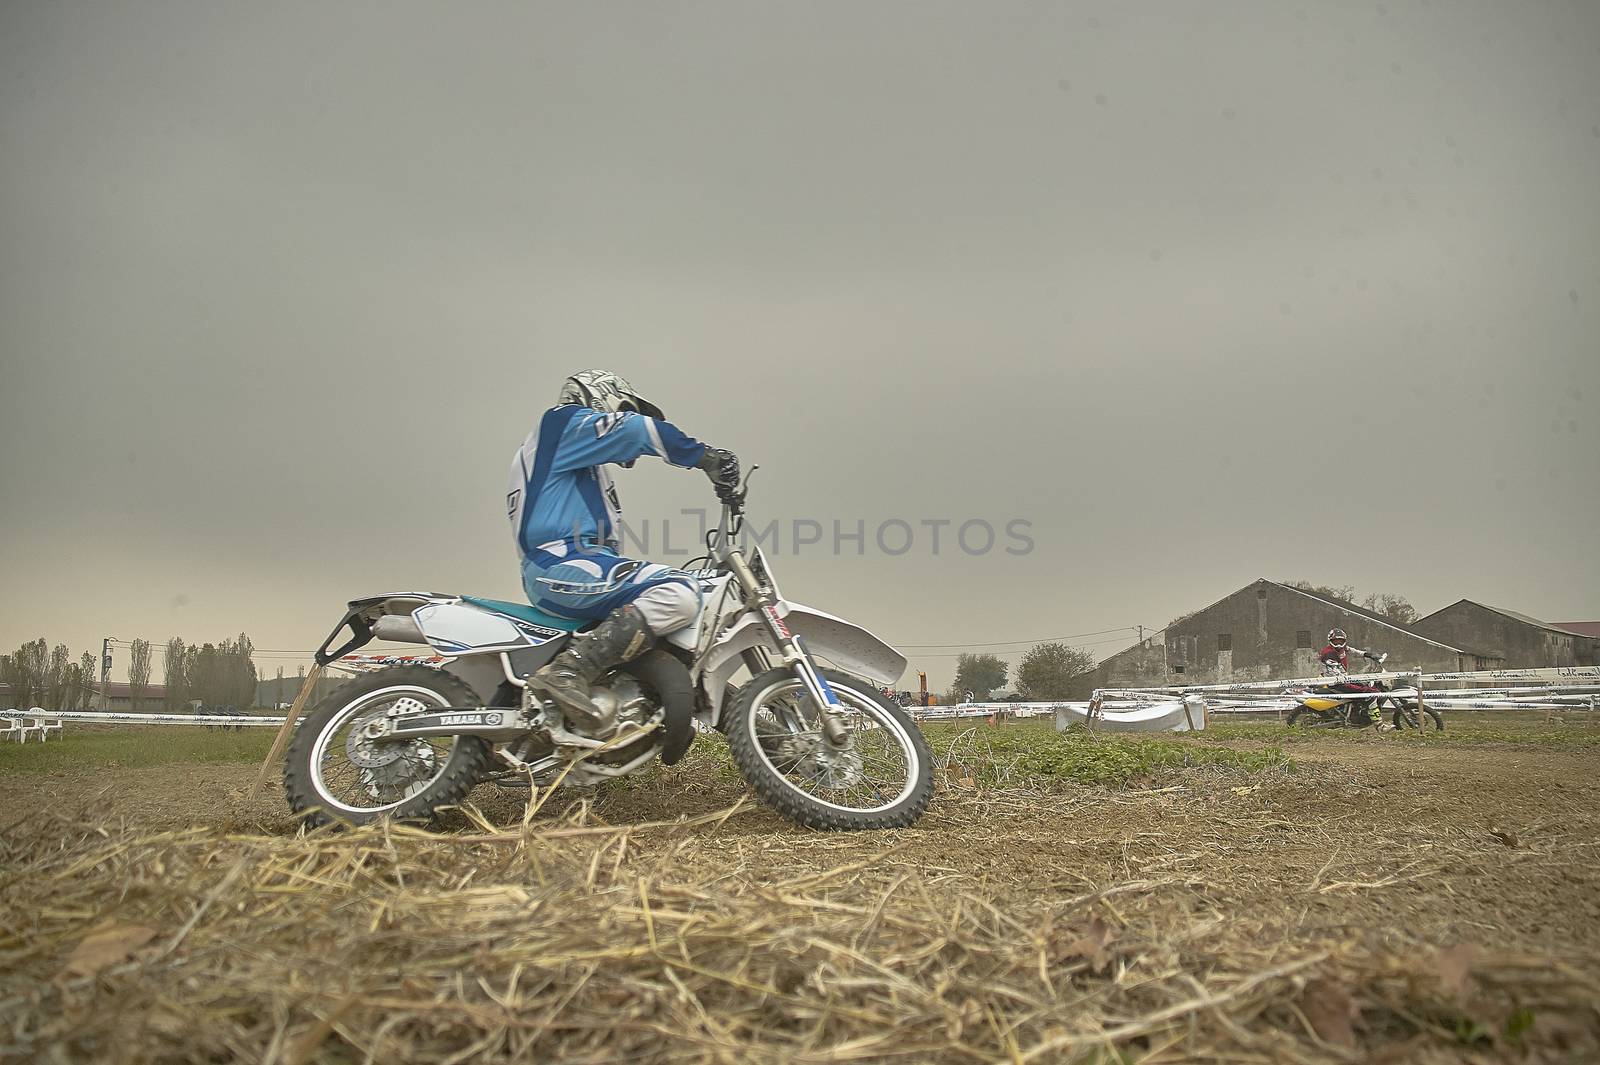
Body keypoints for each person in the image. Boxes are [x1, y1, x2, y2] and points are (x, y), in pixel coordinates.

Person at [506, 370, 740, 735]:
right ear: (603, 397)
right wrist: (704, 457)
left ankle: (755, 731)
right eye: (625, 407)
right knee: (678, 593)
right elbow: (634, 430)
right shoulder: (559, 424)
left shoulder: (579, 465)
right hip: (560, 563)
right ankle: (568, 671)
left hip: (573, 565)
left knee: (669, 610)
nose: (626, 416)